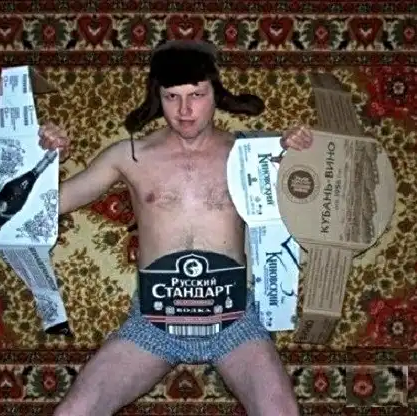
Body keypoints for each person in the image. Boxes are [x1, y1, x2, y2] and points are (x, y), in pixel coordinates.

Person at [40, 40, 313, 416]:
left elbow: (321, 197)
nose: (185, 110)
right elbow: (44, 207)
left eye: (196, 95)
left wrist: (302, 151)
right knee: (74, 412)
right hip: (152, 321)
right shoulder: (129, 155)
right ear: (158, 97)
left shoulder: (252, 152)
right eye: (172, 97)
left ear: (215, 94)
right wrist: (41, 159)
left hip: (233, 318)